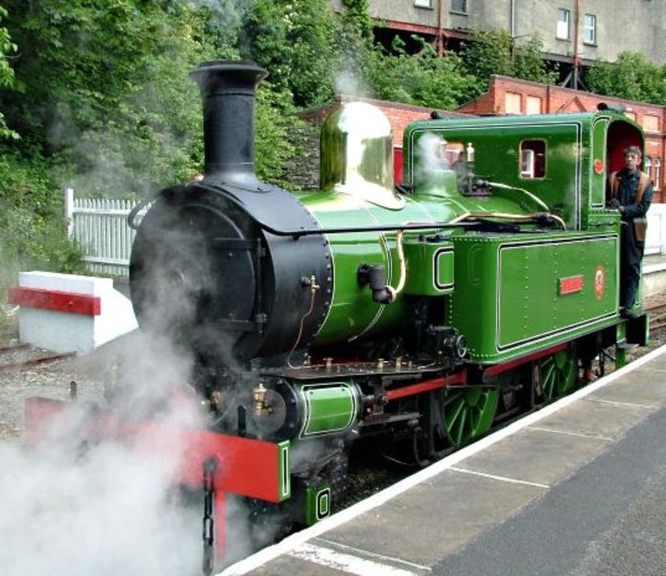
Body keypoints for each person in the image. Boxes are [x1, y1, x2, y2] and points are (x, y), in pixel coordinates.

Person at [607, 145, 653, 318]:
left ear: (639, 160)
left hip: (635, 228)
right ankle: (614, 301)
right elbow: (608, 198)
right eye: (627, 157)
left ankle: (627, 305)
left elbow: (643, 207)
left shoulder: (645, 181)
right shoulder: (614, 178)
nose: (629, 160)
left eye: (633, 157)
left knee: (631, 265)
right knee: (614, 263)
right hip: (615, 225)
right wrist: (612, 204)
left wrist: (623, 209)